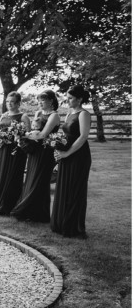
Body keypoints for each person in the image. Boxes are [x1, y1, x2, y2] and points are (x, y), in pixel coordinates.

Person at [11, 90, 60, 222]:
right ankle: (31, 212)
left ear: (51, 101)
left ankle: (37, 213)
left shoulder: (54, 116)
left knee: (40, 180)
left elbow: (42, 134)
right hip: (35, 151)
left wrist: (23, 135)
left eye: (43, 100)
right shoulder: (38, 113)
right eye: (39, 100)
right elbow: (33, 130)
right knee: (31, 178)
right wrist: (25, 134)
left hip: (46, 151)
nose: (40, 103)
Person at [51, 85, 92, 237]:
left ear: (80, 99)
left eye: (70, 98)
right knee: (64, 188)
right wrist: (57, 148)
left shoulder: (84, 114)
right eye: (66, 98)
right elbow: (64, 134)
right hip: (66, 154)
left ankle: (73, 226)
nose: (67, 100)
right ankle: (61, 223)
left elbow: (82, 137)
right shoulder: (69, 113)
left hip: (79, 156)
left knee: (75, 190)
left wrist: (67, 153)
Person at [0, 91, 30, 215]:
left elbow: (27, 135)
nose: (9, 104)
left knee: (13, 176)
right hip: (3, 150)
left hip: (16, 151)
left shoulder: (23, 117)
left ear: (18, 103)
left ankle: (10, 205)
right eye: (7, 101)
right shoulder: (4, 115)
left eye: (12, 102)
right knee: (2, 174)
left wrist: (18, 138)